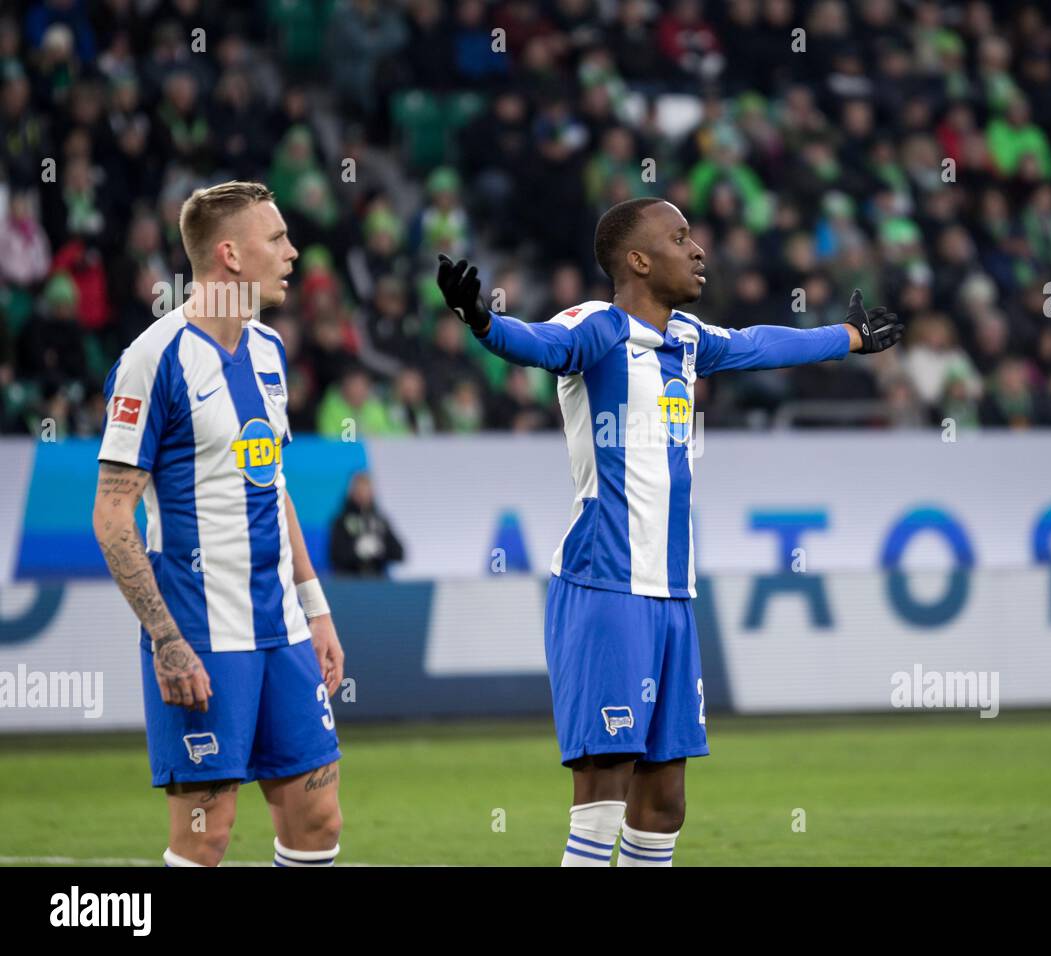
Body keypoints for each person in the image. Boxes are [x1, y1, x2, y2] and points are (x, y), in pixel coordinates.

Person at [436, 197, 901, 866]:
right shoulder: (598, 327)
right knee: (603, 792)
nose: (698, 249)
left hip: (671, 595)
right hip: (605, 586)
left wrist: (849, 338)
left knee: (664, 802)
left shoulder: (684, 338)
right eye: (680, 237)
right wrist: (481, 320)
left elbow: (762, 344)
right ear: (638, 259)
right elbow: (540, 343)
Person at [91, 181, 346, 868]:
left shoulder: (268, 351)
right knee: (207, 835)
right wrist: (166, 640)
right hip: (201, 631)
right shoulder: (153, 359)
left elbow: (275, 485)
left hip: (282, 628)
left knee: (317, 819)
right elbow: (112, 515)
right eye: (278, 239)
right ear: (230, 255)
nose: (293, 253)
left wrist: (315, 607)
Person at [329, 471, 406, 576]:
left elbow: (399, 554)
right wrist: (356, 552)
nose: (363, 495)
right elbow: (334, 556)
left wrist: (380, 549)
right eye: (360, 490)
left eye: (366, 490)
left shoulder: (380, 521)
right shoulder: (340, 522)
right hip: (349, 582)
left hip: (378, 582)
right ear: (352, 492)